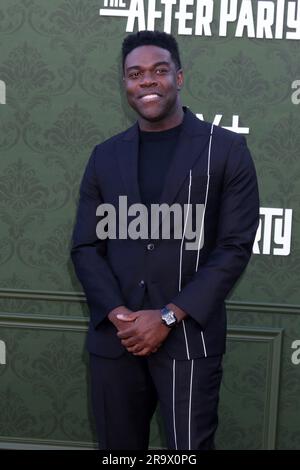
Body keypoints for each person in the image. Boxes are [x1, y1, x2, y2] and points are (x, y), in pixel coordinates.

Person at [71, 30, 259, 450]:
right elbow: (86, 247)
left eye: (159, 70)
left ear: (179, 77)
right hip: (115, 342)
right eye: (135, 74)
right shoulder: (105, 155)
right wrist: (121, 315)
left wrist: (170, 316)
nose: (147, 81)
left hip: (189, 341)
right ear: (125, 84)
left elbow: (233, 247)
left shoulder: (225, 149)